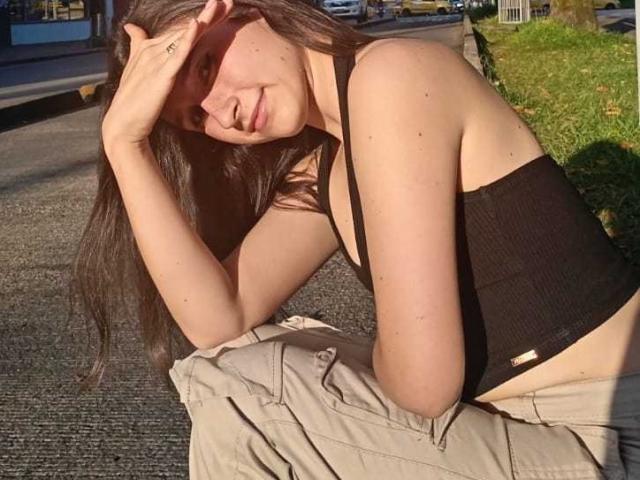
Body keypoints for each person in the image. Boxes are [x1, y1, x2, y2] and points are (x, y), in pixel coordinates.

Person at [71, 0, 640, 478]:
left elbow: (424, 386)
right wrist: (126, 145)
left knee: (246, 396)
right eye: (198, 119)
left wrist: (318, 369)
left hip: (601, 440)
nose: (227, 113)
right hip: (519, 434)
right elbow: (218, 318)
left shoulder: (393, 76)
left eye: (205, 67)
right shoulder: (327, 163)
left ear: (246, 10)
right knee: (239, 361)